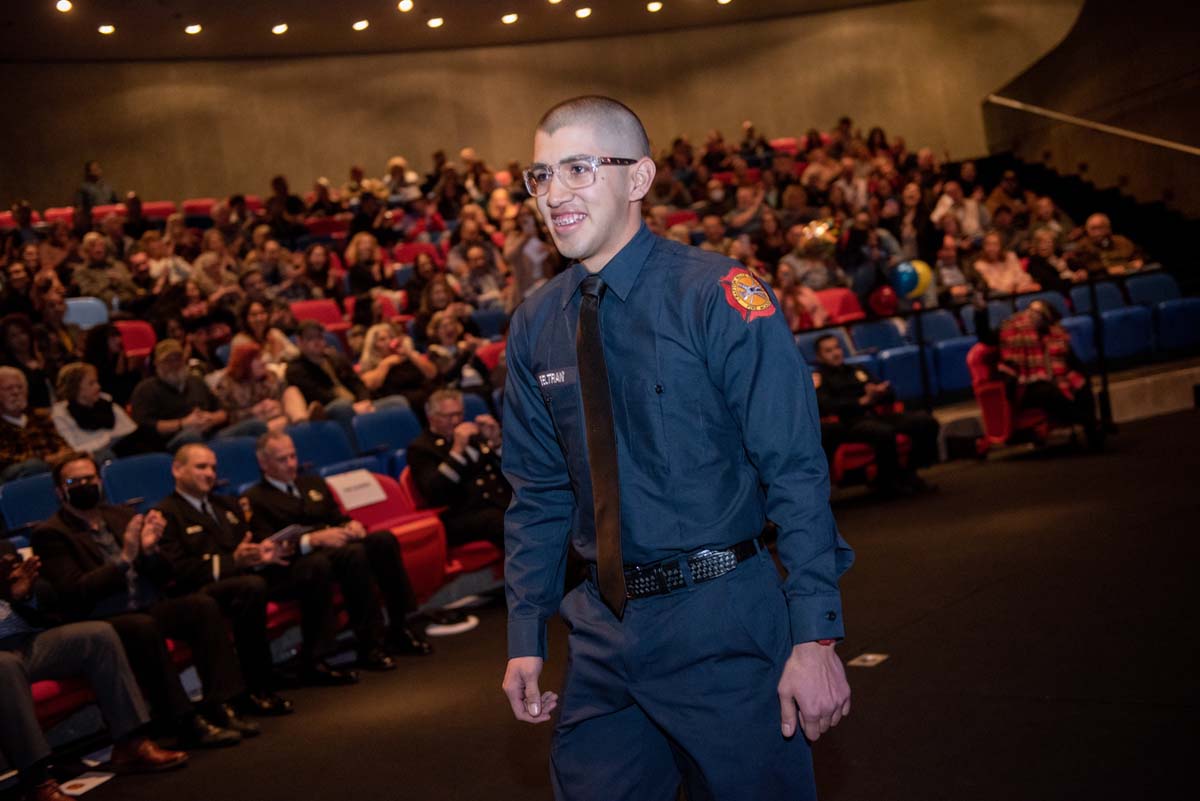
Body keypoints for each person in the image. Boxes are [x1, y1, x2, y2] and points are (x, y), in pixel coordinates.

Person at [502, 96, 852, 800]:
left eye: (578, 168)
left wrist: (815, 638)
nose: (554, 194)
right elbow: (538, 492)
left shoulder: (718, 295)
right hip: (603, 636)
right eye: (541, 176)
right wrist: (525, 631)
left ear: (639, 179)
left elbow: (795, 470)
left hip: (723, 621)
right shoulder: (536, 324)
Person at [31, 453, 284, 748]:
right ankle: (181, 720)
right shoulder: (50, 534)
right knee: (142, 626)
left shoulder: (121, 516)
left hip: (146, 603)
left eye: (90, 479)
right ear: (60, 491)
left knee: (200, 606)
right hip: (102, 616)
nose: (85, 485)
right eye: (75, 481)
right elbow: (75, 592)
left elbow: (167, 576)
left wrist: (150, 552)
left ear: (100, 481)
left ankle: (222, 703)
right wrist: (125, 559)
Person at [156, 443, 360, 686]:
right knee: (252, 587)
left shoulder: (226, 506)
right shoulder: (165, 514)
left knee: (312, 567)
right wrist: (235, 561)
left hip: (245, 577)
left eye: (213, 467)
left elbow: (247, 546)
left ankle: (317, 658)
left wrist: (263, 554)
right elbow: (180, 571)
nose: (210, 474)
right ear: (177, 470)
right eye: (201, 467)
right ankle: (257, 682)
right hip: (204, 589)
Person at [1, 541, 187, 801]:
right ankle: (38, 782)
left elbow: (46, 595)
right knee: (5, 666)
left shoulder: (3, 549)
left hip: (24, 641)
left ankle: (130, 743)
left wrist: (23, 594)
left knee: (98, 635)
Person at [243, 431, 432, 658]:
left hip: (337, 547)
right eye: (282, 460)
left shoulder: (312, 482)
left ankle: (400, 626)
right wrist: (312, 540)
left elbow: (336, 516)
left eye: (293, 456)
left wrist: (351, 524)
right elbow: (268, 544)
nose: (291, 464)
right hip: (300, 562)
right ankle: (370, 642)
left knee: (383, 540)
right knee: (354, 554)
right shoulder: (255, 498)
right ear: (264, 463)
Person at [811, 334, 940, 495]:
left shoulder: (857, 370)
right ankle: (887, 480)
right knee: (883, 432)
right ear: (819, 356)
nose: (836, 353)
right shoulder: (819, 378)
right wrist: (860, 402)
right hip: (847, 422)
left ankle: (909, 472)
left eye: (837, 347)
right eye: (829, 351)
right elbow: (824, 405)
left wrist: (881, 392)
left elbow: (888, 393)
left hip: (874, 415)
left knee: (925, 421)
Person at [407, 389, 509, 548]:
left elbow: (505, 474)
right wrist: (456, 452)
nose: (455, 421)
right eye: (448, 416)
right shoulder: (421, 448)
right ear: (431, 417)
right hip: (461, 515)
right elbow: (434, 493)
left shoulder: (474, 436)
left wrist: (496, 442)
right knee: (502, 522)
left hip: (496, 505)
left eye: (459, 414)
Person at [997, 301, 1102, 448]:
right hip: (1027, 385)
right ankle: (1090, 422)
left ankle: (1093, 434)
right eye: (1030, 311)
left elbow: (1073, 363)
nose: (1032, 315)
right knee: (1050, 392)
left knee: (1081, 384)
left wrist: (1080, 378)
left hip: (1057, 378)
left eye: (1038, 312)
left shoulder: (1056, 336)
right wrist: (980, 312)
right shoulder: (1018, 335)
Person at [130, 339, 263, 451]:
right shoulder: (145, 389)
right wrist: (183, 423)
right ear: (157, 364)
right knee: (192, 435)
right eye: (168, 360)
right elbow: (145, 426)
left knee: (256, 425)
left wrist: (210, 418)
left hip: (211, 435)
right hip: (171, 443)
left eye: (177, 359)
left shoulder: (196, 381)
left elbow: (223, 412)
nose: (174, 364)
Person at [214, 343, 311, 432]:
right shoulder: (227, 385)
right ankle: (306, 423)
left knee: (291, 391)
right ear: (245, 363)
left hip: (279, 416)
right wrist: (254, 411)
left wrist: (277, 405)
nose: (263, 362)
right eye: (257, 359)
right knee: (278, 423)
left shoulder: (271, 376)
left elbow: (284, 398)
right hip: (253, 426)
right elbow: (225, 416)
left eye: (261, 357)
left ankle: (302, 422)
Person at [51, 362, 138, 461]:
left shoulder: (107, 404)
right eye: (91, 383)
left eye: (97, 382)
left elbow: (132, 430)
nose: (98, 387)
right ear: (75, 387)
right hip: (89, 459)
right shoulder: (62, 414)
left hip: (122, 449)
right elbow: (72, 449)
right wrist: (106, 440)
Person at [0, 366, 72, 481]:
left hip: (52, 465)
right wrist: (45, 459)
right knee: (35, 466)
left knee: (96, 457)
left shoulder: (39, 416)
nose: (16, 392)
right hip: (16, 475)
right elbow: (5, 458)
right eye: (8, 388)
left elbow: (60, 443)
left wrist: (63, 454)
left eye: (20, 387)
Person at [357, 323, 438, 412]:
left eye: (391, 337)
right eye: (382, 339)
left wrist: (410, 353)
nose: (388, 341)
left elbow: (432, 374)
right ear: (373, 345)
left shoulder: (407, 356)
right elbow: (370, 385)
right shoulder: (372, 365)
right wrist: (386, 363)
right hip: (400, 403)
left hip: (425, 394)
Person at [1069, 213, 1144, 276]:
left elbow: (1137, 255)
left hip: (1130, 276)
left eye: (1100, 228)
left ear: (1108, 228)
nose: (1097, 233)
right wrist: (1108, 271)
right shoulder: (1082, 247)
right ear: (1087, 230)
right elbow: (1090, 268)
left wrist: (1138, 261)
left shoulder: (1122, 241)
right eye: (1093, 229)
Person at [974, 230, 1039, 296]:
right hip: (1000, 299)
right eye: (988, 244)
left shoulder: (1011, 256)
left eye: (995, 244)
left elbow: (1023, 277)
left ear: (1001, 246)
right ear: (983, 247)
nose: (991, 248)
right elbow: (993, 287)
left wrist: (1018, 286)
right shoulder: (979, 265)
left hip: (1020, 294)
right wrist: (1014, 287)